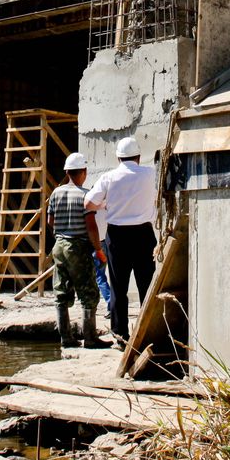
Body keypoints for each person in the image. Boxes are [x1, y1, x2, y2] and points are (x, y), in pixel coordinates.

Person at [85, 136, 156, 343]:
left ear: (118, 158)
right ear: (139, 157)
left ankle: (120, 334)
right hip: (144, 234)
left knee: (118, 287)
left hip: (117, 237)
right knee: (147, 285)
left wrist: (104, 205)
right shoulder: (150, 174)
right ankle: (148, 332)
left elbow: (88, 203)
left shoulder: (109, 177)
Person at [46, 152, 111, 349]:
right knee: (89, 293)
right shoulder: (85, 195)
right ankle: (90, 338)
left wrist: (62, 233)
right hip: (79, 247)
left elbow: (50, 221)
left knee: (60, 293)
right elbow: (91, 224)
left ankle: (65, 338)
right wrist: (98, 249)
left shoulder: (56, 193)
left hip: (59, 246)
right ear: (84, 172)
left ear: (67, 172)